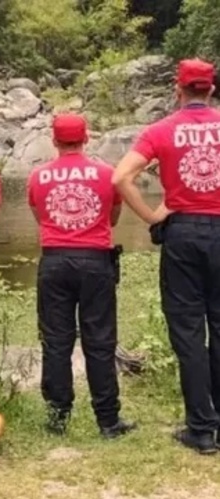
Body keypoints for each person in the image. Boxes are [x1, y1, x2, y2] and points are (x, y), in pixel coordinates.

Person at [113, 58, 220, 454]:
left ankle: (201, 428)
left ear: (178, 90)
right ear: (211, 89)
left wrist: (152, 215)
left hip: (183, 233)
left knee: (189, 331)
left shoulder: (161, 130)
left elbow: (120, 176)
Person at [28, 113, 136, 439]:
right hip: (95, 261)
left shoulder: (38, 176)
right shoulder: (107, 174)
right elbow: (113, 216)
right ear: (86, 138)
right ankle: (108, 420)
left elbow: (40, 215)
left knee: (56, 341)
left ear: (55, 140)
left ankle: (58, 417)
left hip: (55, 261)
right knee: (100, 341)